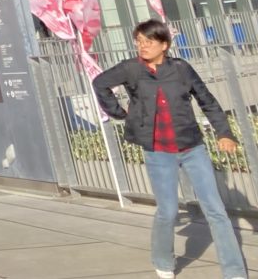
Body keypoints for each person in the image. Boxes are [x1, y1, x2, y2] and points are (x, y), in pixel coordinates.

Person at [93, 19, 246, 279]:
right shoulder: (130, 68)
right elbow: (100, 83)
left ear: (164, 45)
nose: (142, 46)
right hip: (158, 151)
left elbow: (207, 101)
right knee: (168, 211)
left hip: (192, 148)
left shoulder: (181, 69)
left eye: (149, 42)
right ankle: (163, 261)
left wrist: (224, 133)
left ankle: (234, 272)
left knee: (215, 210)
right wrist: (120, 113)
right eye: (139, 41)